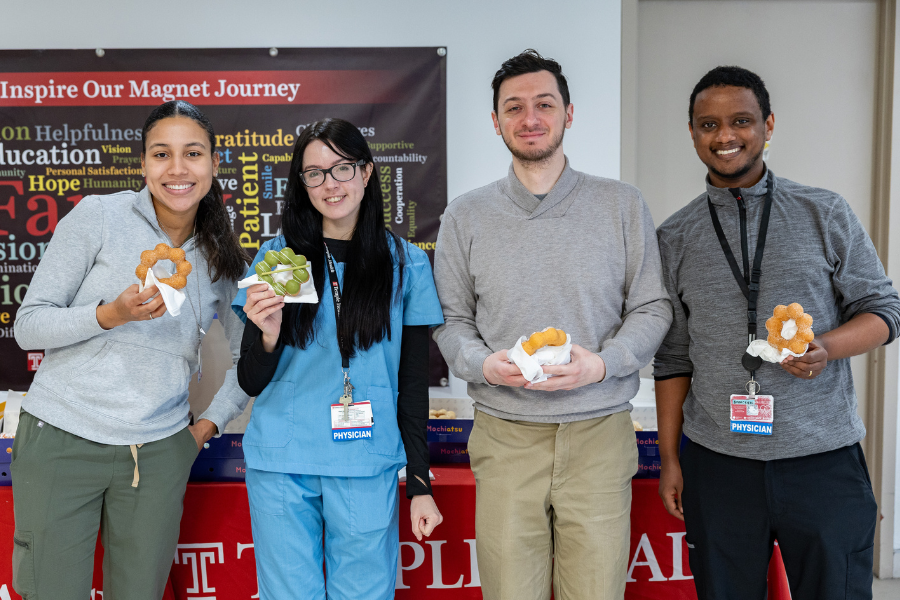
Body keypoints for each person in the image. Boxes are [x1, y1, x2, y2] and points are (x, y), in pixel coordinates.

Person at [432, 49, 672, 600]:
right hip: (504, 434)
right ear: (496, 122)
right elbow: (451, 321)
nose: (530, 117)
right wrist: (483, 365)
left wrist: (603, 363)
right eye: (513, 107)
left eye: (544, 103)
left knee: (595, 591)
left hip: (599, 435)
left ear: (569, 113)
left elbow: (652, 307)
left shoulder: (620, 205)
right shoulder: (465, 216)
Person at [654, 65, 900, 599]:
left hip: (823, 460)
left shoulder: (823, 212)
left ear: (768, 124)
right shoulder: (673, 237)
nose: (725, 136)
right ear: (692, 132)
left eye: (741, 120)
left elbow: (884, 311)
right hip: (719, 466)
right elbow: (673, 357)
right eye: (708, 124)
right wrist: (671, 459)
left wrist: (826, 349)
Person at [12, 100, 250, 599]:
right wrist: (109, 314)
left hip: (159, 452)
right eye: (162, 154)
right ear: (143, 164)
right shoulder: (99, 216)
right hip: (62, 438)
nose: (178, 169)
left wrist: (205, 427)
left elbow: (251, 357)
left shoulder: (221, 255)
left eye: (193, 153)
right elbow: (28, 326)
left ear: (212, 164)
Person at [233, 117, 444, 599]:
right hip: (283, 461)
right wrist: (267, 335)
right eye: (315, 173)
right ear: (301, 184)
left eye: (342, 168)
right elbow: (250, 379)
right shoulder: (279, 258)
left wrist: (419, 482)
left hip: (365, 462)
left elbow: (412, 384)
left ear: (366, 174)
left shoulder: (404, 263)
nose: (330, 184)